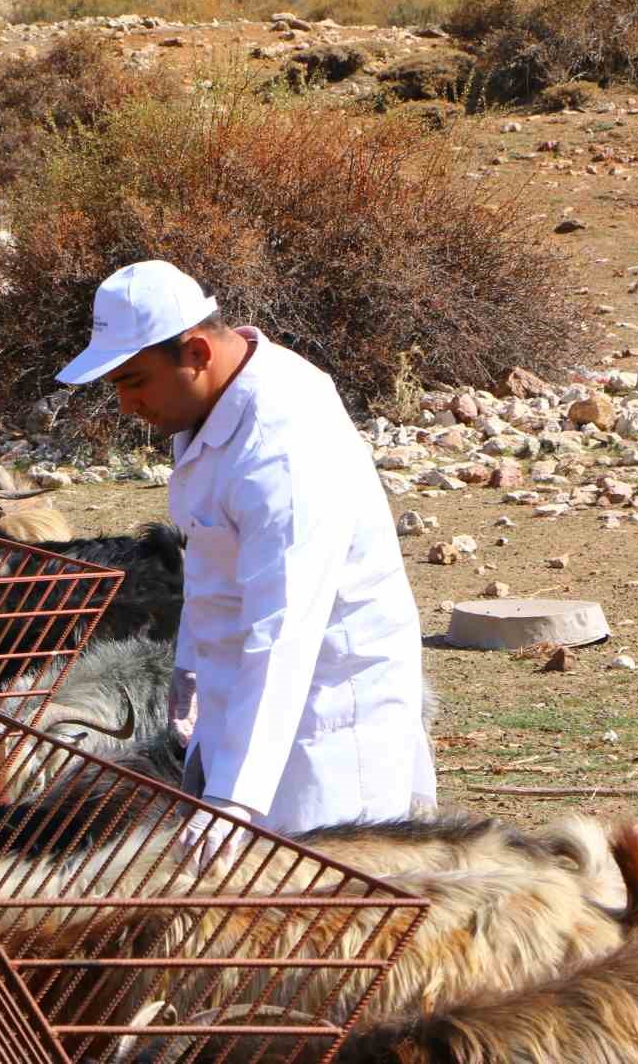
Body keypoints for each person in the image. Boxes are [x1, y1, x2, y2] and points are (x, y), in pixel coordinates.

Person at [54, 260, 436, 867]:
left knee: (328, 891)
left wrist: (237, 796)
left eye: (133, 381)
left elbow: (284, 629)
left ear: (197, 352)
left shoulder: (283, 448)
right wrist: (190, 670)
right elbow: (213, 563)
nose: (125, 404)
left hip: (322, 702)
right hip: (248, 691)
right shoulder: (210, 408)